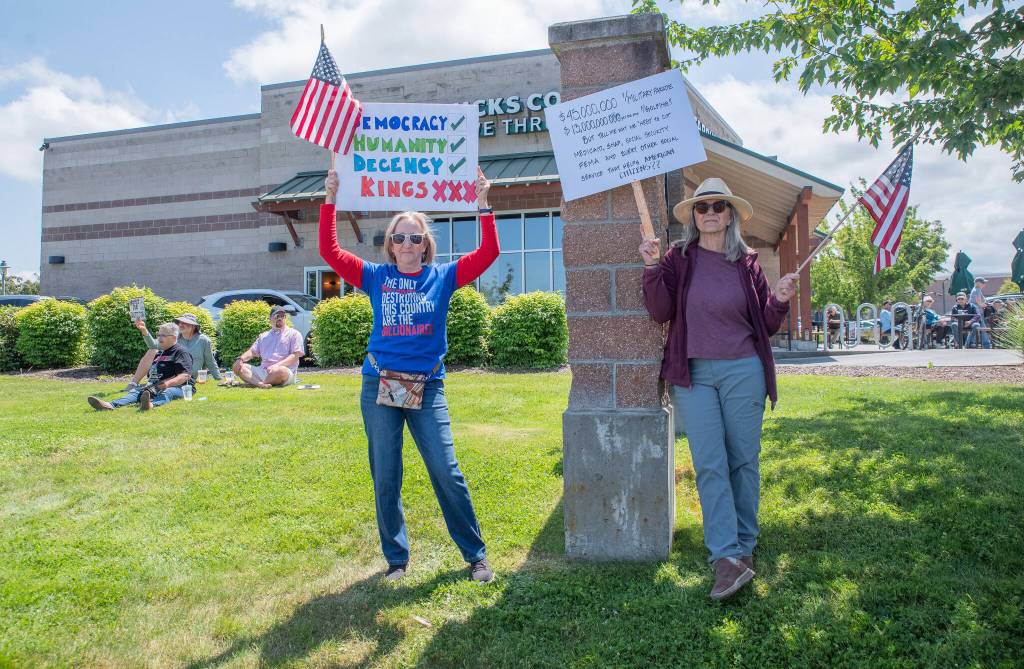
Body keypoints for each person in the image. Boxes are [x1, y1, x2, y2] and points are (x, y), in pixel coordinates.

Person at [318, 166, 498, 583]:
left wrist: (483, 203)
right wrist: (330, 199)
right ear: (390, 244)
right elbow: (330, 253)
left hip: (427, 385)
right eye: (398, 236)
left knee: (445, 468)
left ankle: (476, 555)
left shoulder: (444, 276)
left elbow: (487, 255)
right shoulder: (376, 277)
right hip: (379, 382)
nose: (406, 243)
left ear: (425, 244)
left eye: (415, 236)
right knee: (386, 472)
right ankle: (396, 560)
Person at [640, 177, 798, 601]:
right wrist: (653, 267)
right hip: (694, 374)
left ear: (730, 215)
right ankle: (724, 558)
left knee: (743, 460)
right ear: (693, 216)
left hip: (743, 370)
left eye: (718, 206)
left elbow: (765, 323)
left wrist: (779, 298)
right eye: (702, 206)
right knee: (710, 463)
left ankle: (745, 547)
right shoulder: (678, 259)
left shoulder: (747, 263)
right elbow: (660, 312)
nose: (710, 213)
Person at [88, 323, 193, 411]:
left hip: (181, 388)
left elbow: (185, 376)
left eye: (163, 336)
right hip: (157, 386)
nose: (159, 338)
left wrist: (165, 384)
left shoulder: (181, 352)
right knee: (137, 391)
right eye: (158, 335)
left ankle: (150, 405)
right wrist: (151, 386)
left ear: (174, 338)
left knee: (168, 391)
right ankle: (109, 405)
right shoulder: (160, 353)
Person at [125, 313, 221, 390]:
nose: (181, 324)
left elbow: (210, 361)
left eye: (185, 323)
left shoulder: (204, 340)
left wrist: (218, 379)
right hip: (170, 373)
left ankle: (153, 386)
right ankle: (133, 383)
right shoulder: (174, 337)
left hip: (187, 375)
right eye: (180, 322)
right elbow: (153, 345)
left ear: (193, 326)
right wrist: (144, 330)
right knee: (152, 351)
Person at [232, 306, 305, 387]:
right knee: (240, 367)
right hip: (264, 371)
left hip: (285, 371)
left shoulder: (294, 334)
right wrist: (240, 359)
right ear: (270, 319)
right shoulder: (263, 336)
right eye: (277, 316)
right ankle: (260, 384)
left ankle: (256, 383)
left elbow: (295, 356)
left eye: (283, 316)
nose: (280, 318)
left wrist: (277, 365)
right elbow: (252, 352)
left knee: (279, 371)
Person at [968, 277, 992, 348]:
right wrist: (987, 305)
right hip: (977, 313)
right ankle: (986, 344)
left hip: (977, 313)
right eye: (983, 282)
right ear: (978, 283)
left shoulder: (977, 290)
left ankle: (970, 343)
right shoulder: (977, 290)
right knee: (982, 328)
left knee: (980, 328)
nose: (984, 284)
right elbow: (979, 303)